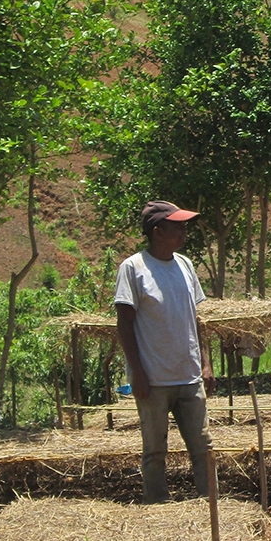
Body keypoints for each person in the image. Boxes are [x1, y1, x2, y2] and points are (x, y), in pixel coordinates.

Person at [115, 201, 217, 503]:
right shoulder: (133, 268)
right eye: (178, 226)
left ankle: (209, 505)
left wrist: (206, 362)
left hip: (188, 375)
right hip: (154, 380)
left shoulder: (184, 265)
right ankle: (156, 507)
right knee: (155, 452)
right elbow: (124, 324)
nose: (185, 231)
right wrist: (137, 373)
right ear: (158, 232)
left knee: (203, 447)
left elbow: (196, 319)